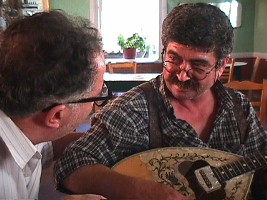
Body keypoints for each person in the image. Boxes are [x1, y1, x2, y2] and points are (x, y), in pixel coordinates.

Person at [54, 3, 267, 200]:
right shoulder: (132, 110)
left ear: (222, 65)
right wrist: (137, 190)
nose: (182, 76)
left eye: (199, 66)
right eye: (173, 58)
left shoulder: (239, 108)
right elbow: (71, 165)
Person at [0, 10, 109, 200]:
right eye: (96, 96)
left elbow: (46, 146)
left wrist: (99, 138)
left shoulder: (25, 118)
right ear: (56, 116)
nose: (96, 102)